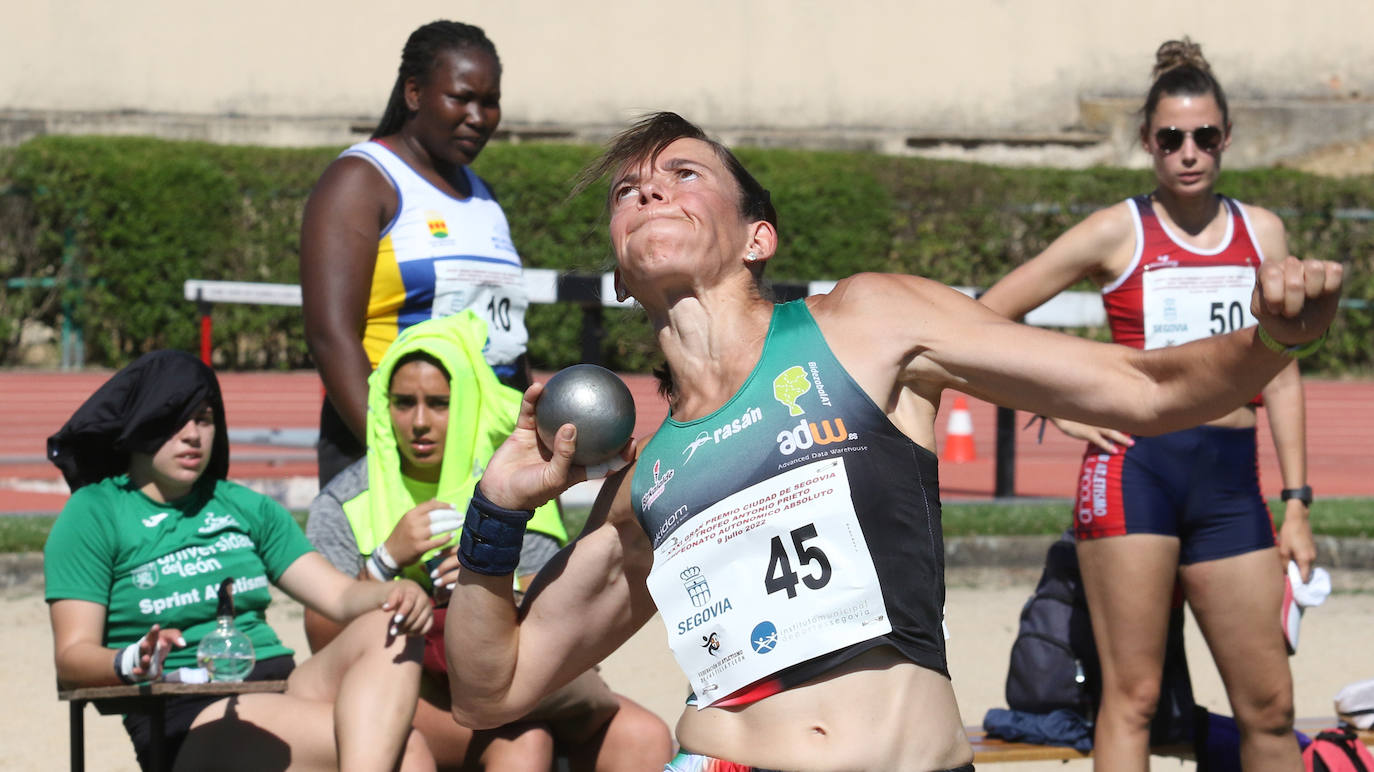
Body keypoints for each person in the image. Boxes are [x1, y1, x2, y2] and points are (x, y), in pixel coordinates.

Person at [435, 112, 1341, 772]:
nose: (646, 191)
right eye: (629, 192)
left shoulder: (867, 323)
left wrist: (1275, 340)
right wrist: (496, 517)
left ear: (759, 236)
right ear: (621, 274)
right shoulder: (648, 482)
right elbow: (492, 688)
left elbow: (1146, 388)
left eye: (682, 174)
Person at [979, 39, 1314, 771]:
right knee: (1130, 700)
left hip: (1230, 482)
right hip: (1136, 474)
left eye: (1204, 137)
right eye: (1170, 138)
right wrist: (1058, 406)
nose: (1188, 152)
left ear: (1226, 137)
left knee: (1271, 708)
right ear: (1147, 144)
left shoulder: (1262, 232)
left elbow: (1282, 373)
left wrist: (1297, 502)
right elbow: (985, 320)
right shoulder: (1117, 230)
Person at [303, 312, 673, 770]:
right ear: (382, 405)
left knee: (646, 737)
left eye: (439, 403)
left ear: (470, 401)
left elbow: (556, 593)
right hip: (403, 684)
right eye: (402, 402)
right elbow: (320, 637)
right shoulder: (345, 500)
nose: (419, 421)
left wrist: (489, 582)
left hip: (514, 678)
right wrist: (383, 563)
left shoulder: (515, 483)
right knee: (523, 743)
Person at [44, 350, 436, 771]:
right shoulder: (96, 512)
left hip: (282, 690)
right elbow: (71, 659)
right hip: (187, 712)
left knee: (388, 618)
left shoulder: (245, 507)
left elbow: (340, 596)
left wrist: (396, 589)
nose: (193, 435)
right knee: (407, 751)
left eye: (205, 419)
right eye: (177, 419)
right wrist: (130, 659)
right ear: (142, 422)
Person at [301, 20, 534, 487]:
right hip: (394, 450)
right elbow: (330, 335)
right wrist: (392, 450)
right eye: (461, 97)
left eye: (490, 102)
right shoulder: (361, 181)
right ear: (414, 93)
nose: (478, 115)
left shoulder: (484, 197)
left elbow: (507, 337)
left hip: (483, 450)